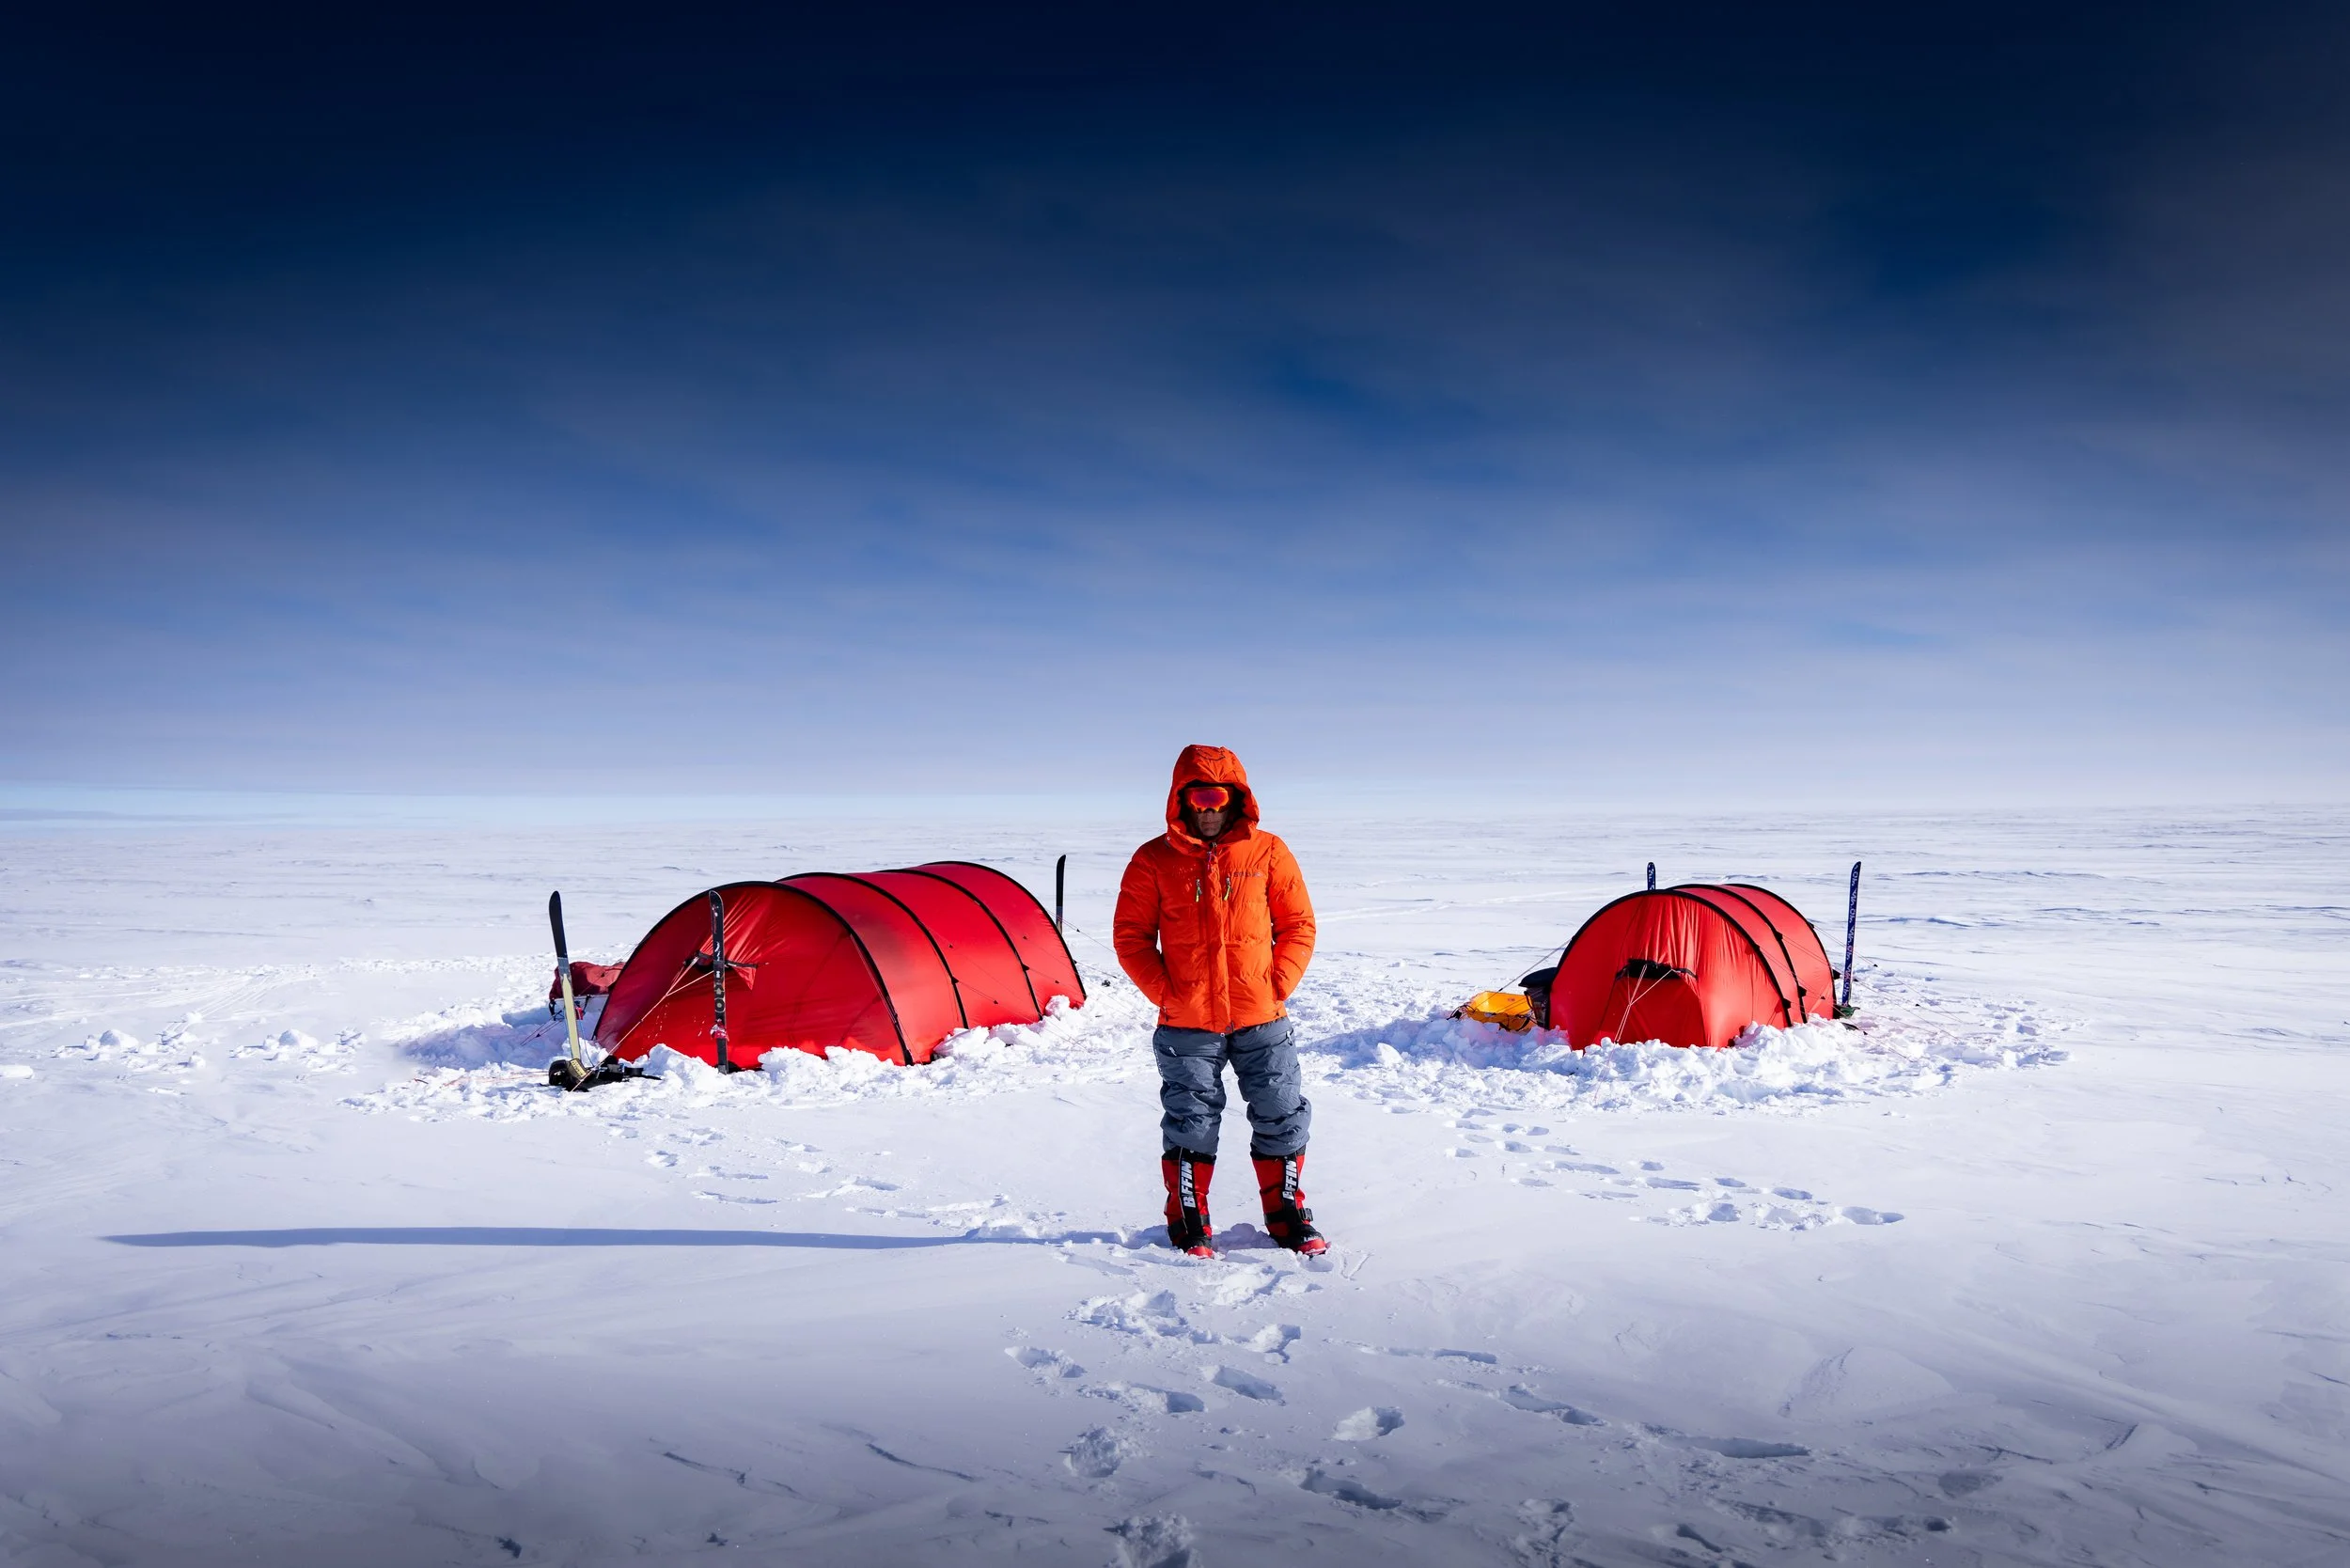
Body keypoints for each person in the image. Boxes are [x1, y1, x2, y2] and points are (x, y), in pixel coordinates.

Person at [1114, 744, 1324, 1257]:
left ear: (1236, 799)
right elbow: (1131, 937)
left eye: (1216, 796)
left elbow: (1298, 926)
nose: (1207, 808)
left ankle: (1287, 1215)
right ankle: (1189, 1218)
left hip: (1262, 1017)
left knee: (1281, 1112)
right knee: (1191, 1119)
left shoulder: (1269, 852)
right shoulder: (1153, 859)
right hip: (1187, 1023)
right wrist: (1168, 993)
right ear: (1180, 801)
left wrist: (1276, 985)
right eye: (1196, 797)